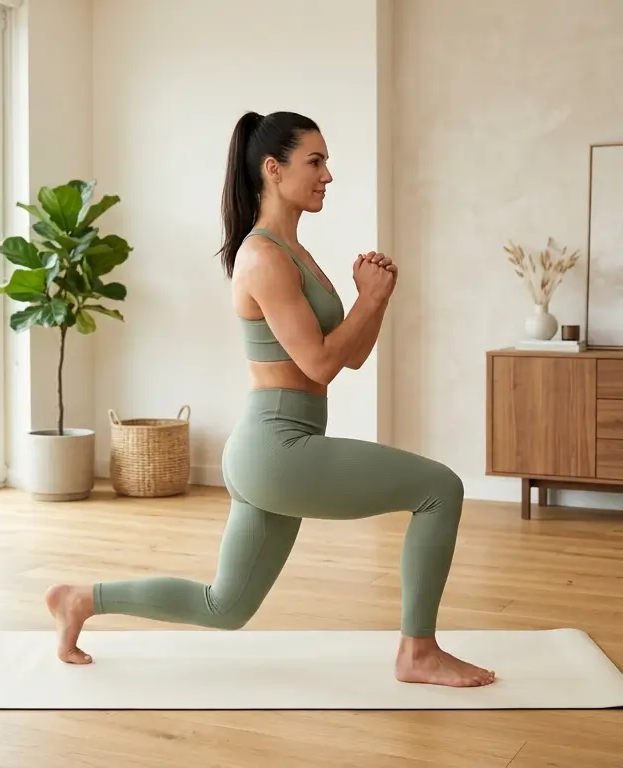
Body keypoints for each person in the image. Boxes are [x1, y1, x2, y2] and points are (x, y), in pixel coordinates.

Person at [44, 110, 496, 688]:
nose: (328, 174)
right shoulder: (263, 256)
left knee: (225, 606)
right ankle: (419, 653)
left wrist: (374, 300)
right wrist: (370, 298)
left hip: (275, 445)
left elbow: (347, 354)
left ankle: (80, 599)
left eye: (327, 161)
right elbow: (322, 363)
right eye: (316, 161)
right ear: (273, 169)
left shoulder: (293, 252)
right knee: (440, 488)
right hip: (278, 447)